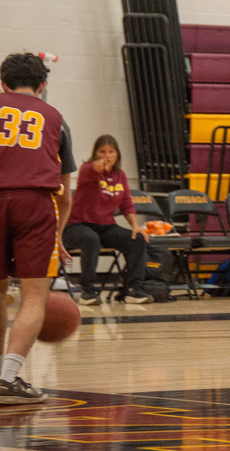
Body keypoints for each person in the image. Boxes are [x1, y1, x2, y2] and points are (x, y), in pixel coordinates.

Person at [0, 53, 75, 404]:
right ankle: (8, 376)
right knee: (34, 297)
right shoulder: (56, 119)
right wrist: (57, 235)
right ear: (42, 85)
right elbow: (66, 192)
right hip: (34, 203)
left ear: (2, 83)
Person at [63, 135, 153, 305]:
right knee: (90, 238)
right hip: (76, 225)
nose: (107, 155)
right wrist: (98, 167)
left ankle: (134, 290)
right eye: (102, 151)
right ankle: (87, 291)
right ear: (95, 153)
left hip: (106, 226)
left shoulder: (120, 175)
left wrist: (135, 225)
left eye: (111, 151)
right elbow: (91, 171)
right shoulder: (86, 169)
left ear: (117, 154)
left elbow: (126, 203)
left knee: (137, 238)